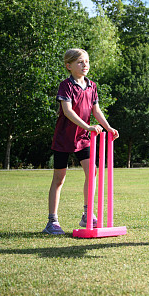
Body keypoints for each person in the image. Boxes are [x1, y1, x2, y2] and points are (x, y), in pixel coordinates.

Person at [43, 48, 119, 235]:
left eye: (86, 61)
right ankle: (52, 221)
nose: (85, 65)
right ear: (69, 66)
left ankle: (87, 214)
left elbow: (96, 111)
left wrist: (108, 127)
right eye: (80, 62)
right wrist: (88, 127)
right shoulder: (66, 86)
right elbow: (68, 111)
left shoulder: (92, 85)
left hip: (83, 139)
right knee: (59, 179)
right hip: (64, 138)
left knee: (92, 172)